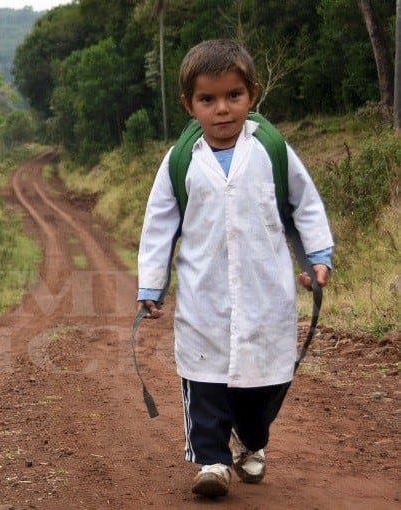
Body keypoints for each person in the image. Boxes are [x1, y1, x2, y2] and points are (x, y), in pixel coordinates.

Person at [136, 39, 333, 498]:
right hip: (203, 299)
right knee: (203, 382)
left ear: (253, 95)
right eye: (208, 99)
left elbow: (304, 205)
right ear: (189, 104)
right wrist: (151, 285)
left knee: (261, 385)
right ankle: (212, 461)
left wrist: (318, 257)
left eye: (233, 96)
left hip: (267, 294)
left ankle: (252, 442)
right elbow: (158, 226)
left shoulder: (271, 149)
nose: (222, 109)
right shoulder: (180, 160)